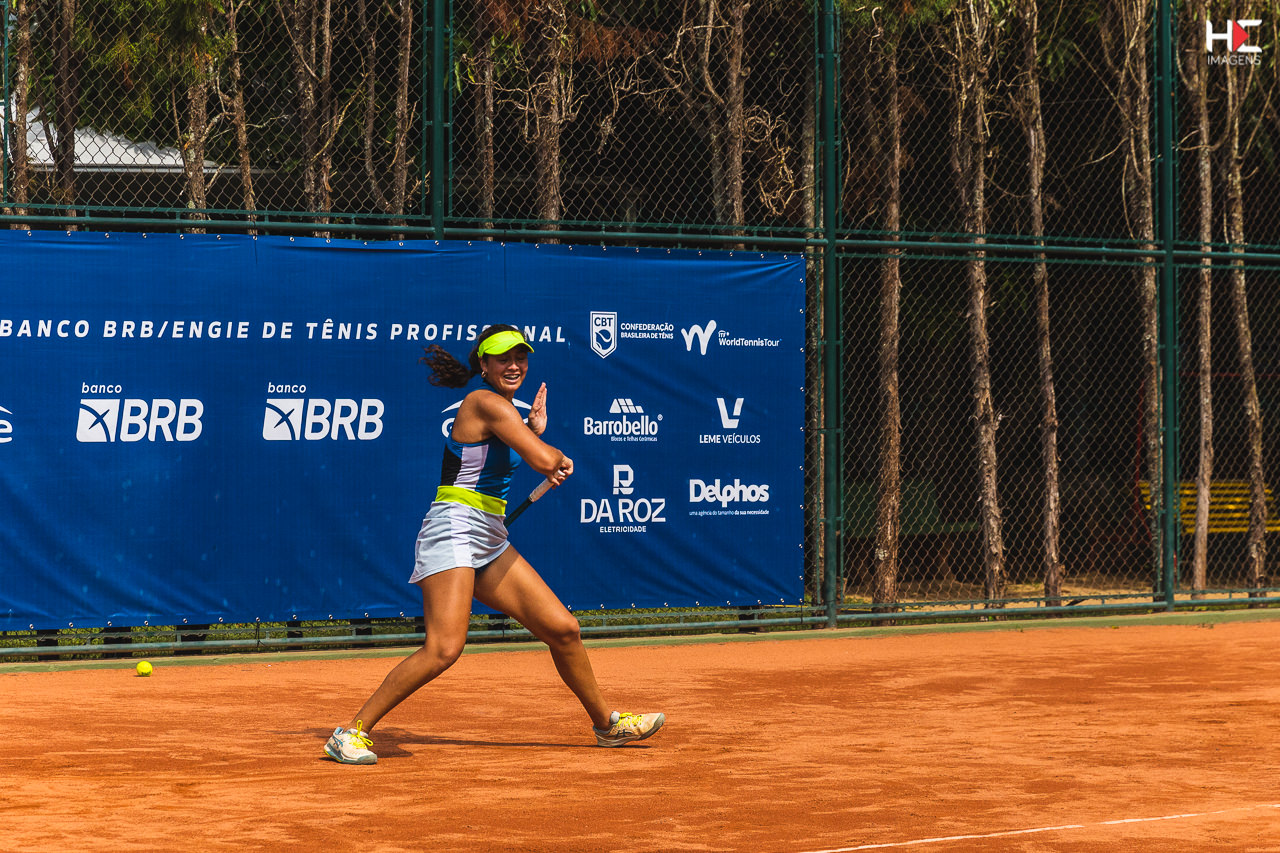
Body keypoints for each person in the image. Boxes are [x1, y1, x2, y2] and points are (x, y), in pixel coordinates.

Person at [324, 324, 664, 764]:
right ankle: (350, 732)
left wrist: (532, 429)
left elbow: (521, 451)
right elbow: (543, 459)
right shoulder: (484, 402)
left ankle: (607, 725)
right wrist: (551, 453)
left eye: (521, 357)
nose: (514, 365)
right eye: (504, 358)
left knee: (563, 629)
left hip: (488, 534)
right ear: (483, 365)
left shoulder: (506, 412)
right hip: (454, 528)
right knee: (444, 648)